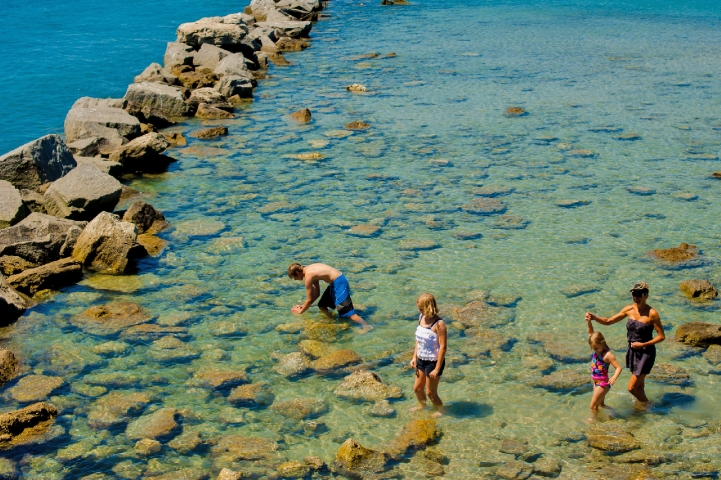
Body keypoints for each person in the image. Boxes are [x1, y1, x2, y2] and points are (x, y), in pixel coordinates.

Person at [586, 282, 665, 404]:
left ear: (646, 295)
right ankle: (641, 409)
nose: (635, 297)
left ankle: (650, 407)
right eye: (634, 294)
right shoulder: (629, 309)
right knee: (639, 386)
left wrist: (642, 344)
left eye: (638, 294)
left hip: (645, 353)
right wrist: (595, 318)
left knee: (631, 388)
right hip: (633, 352)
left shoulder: (652, 313)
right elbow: (609, 321)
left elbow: (661, 336)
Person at [287, 262, 372, 331]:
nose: (295, 280)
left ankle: (366, 326)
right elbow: (316, 294)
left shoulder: (308, 276)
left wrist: (301, 311)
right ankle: (333, 320)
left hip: (339, 283)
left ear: (297, 273)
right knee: (322, 305)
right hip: (335, 282)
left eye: (294, 278)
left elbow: (309, 299)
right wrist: (303, 306)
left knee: (347, 313)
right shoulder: (309, 270)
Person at [409, 293, 447, 417]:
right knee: (417, 389)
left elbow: (443, 347)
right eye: (419, 308)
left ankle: (442, 410)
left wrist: (437, 368)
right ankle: (423, 406)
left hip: (433, 361)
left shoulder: (439, 324)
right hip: (421, 358)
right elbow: (419, 340)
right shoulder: (421, 318)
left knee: (431, 393)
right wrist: (414, 357)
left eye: (421, 308)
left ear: (428, 307)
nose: (419, 310)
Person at [586, 318, 622, 411]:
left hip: (603, 383)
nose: (596, 350)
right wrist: (589, 322)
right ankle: (613, 412)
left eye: (597, 348)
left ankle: (593, 423)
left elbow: (618, 367)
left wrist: (613, 378)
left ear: (602, 343)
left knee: (592, 406)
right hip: (595, 382)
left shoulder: (607, 355)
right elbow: (591, 333)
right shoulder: (596, 345)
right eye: (594, 348)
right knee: (600, 405)